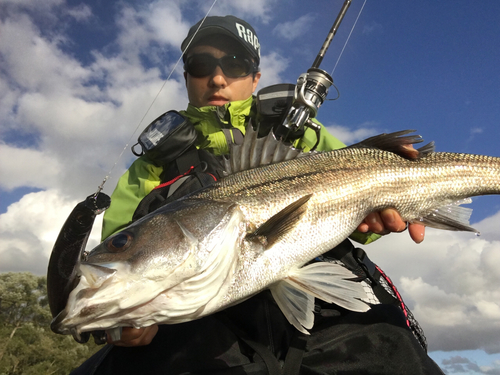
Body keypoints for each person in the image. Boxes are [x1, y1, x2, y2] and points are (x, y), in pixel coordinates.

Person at [72, 15, 443, 374]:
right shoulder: (148, 167)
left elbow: (368, 214)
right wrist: (123, 323)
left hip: (332, 318)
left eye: (234, 64)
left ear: (255, 77)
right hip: (200, 335)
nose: (217, 78)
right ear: (186, 76)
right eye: (201, 65)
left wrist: (376, 221)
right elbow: (124, 256)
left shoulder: (307, 136)